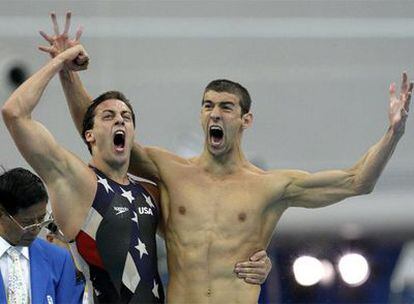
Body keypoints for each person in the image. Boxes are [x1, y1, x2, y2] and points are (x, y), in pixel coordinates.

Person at [42, 12, 414, 303]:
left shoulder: (272, 186)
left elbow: (357, 181)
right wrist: (66, 74)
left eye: (225, 107)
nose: (214, 114)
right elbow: (98, 132)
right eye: (207, 106)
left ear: (245, 119)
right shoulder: (170, 171)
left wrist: (393, 133)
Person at [2, 41, 271, 303]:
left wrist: (257, 263)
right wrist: (59, 64)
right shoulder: (77, 182)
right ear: (89, 135)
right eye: (108, 116)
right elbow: (14, 113)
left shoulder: (150, 193)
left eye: (126, 116)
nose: (119, 119)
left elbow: (206, 241)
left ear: (132, 133)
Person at [0, 167, 84, 303]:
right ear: (2, 214)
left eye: (41, 219)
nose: (36, 229)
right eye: (27, 223)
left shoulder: (60, 260)